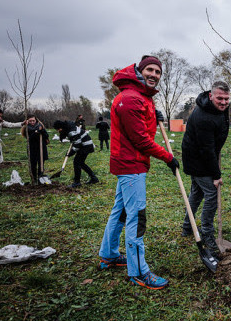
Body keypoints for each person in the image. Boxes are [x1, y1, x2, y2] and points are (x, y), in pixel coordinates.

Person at [97, 55, 179, 290]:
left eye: (158, 72)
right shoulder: (131, 98)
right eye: (150, 70)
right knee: (136, 217)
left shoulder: (138, 96)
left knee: (120, 211)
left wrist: (155, 115)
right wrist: (167, 157)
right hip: (131, 165)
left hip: (129, 163)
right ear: (139, 71)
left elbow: (143, 124)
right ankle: (139, 271)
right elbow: (140, 139)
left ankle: (109, 254)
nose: (154, 75)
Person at [180, 81, 230, 256]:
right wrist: (216, 175)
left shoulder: (218, 110)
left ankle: (187, 226)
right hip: (197, 159)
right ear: (211, 95)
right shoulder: (203, 117)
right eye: (219, 98)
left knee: (197, 193)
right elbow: (206, 150)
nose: (223, 102)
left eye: (226, 99)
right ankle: (207, 233)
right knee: (211, 194)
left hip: (201, 154)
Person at [53, 120, 98, 187]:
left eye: (58, 129)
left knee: (77, 162)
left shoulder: (71, 131)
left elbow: (77, 143)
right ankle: (94, 178)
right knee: (81, 163)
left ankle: (77, 182)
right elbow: (75, 141)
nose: (58, 131)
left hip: (85, 145)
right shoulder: (68, 128)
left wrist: (71, 152)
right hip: (85, 145)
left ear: (61, 127)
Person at [0, 107, 25, 194]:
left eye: (1, 116)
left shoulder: (0, 122)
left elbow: (11, 125)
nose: (0, 118)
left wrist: (22, 123)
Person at [21, 115, 49, 183]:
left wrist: (42, 131)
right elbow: (30, 138)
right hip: (32, 149)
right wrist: (36, 132)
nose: (32, 122)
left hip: (41, 148)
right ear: (27, 121)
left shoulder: (40, 126)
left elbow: (46, 135)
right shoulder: (26, 128)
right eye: (30, 121)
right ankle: (34, 180)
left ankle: (40, 179)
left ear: (36, 120)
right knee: (33, 165)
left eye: (33, 120)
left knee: (41, 164)